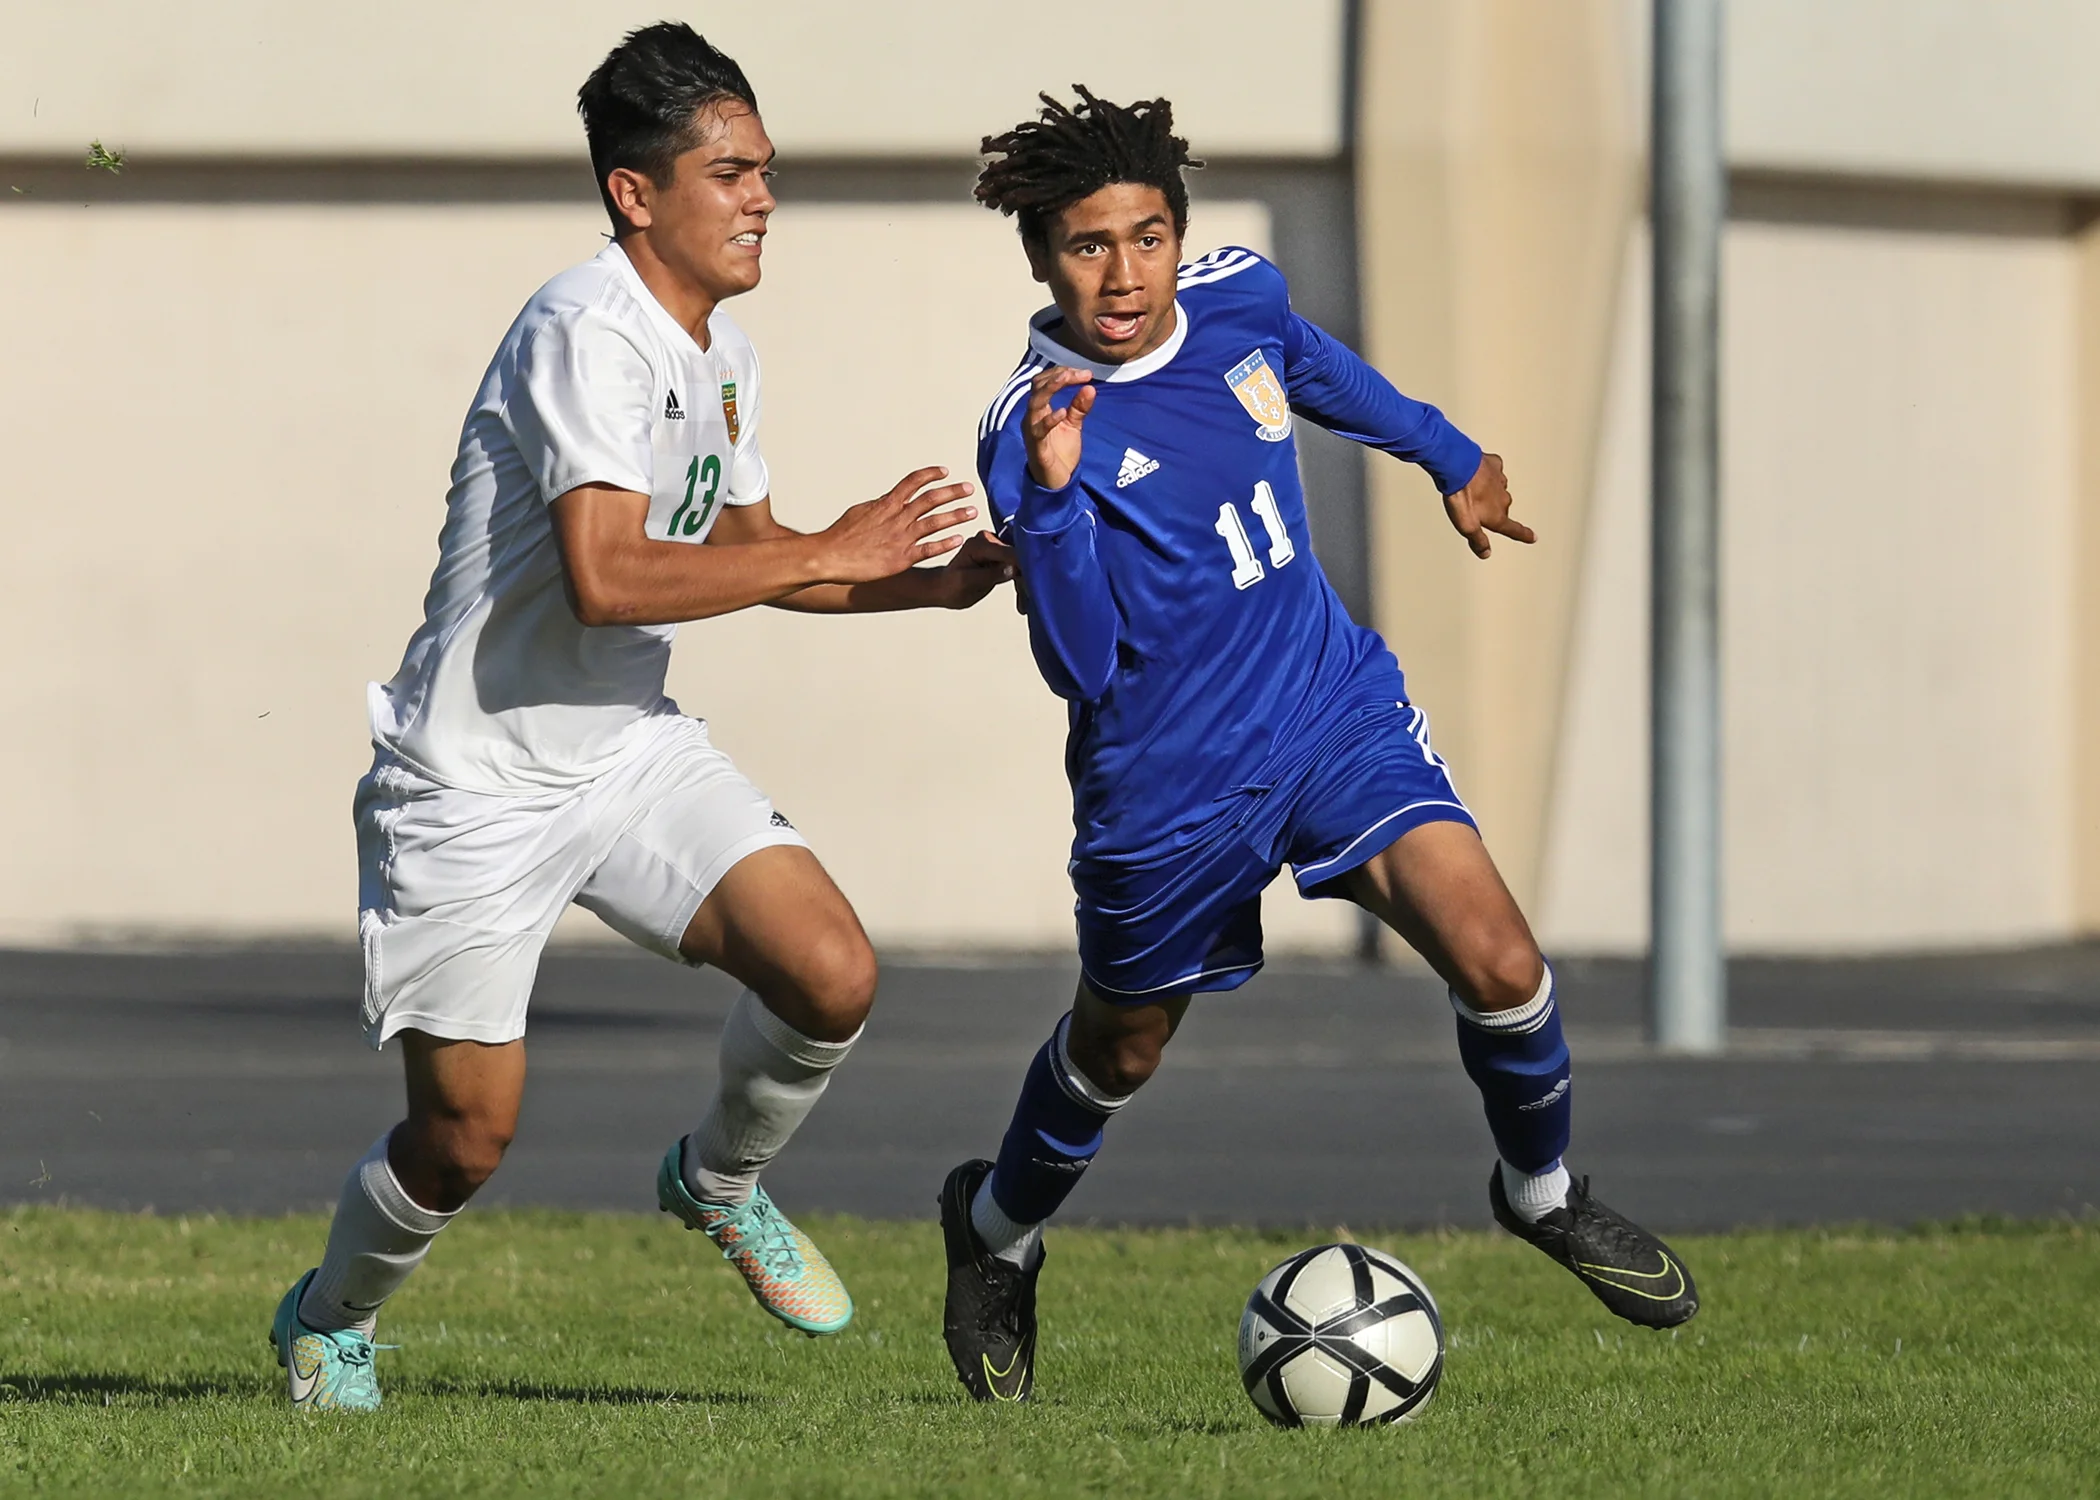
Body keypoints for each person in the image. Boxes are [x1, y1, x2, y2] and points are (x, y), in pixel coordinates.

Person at [269, 22, 1012, 1412]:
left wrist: (916, 587)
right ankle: (331, 1316)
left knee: (832, 972)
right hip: (472, 784)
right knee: (465, 1141)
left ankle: (719, 1178)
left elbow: (756, 549)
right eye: (730, 171)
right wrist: (830, 549)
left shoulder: (720, 352)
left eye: (766, 170)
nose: (762, 198)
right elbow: (613, 579)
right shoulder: (580, 333)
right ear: (635, 193)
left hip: (624, 750)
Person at [938, 88, 1697, 1404]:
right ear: (1041, 258)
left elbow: (1310, 361)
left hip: (1327, 707)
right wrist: (1056, 508)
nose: (1125, 272)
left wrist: (1450, 455)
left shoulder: (1235, 294)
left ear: (1181, 232)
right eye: (1088, 245)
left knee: (1502, 958)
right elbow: (1078, 663)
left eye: (1147, 234)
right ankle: (996, 1232)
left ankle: (1545, 1190)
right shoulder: (1034, 428)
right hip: (1167, 792)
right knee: (1120, 1050)